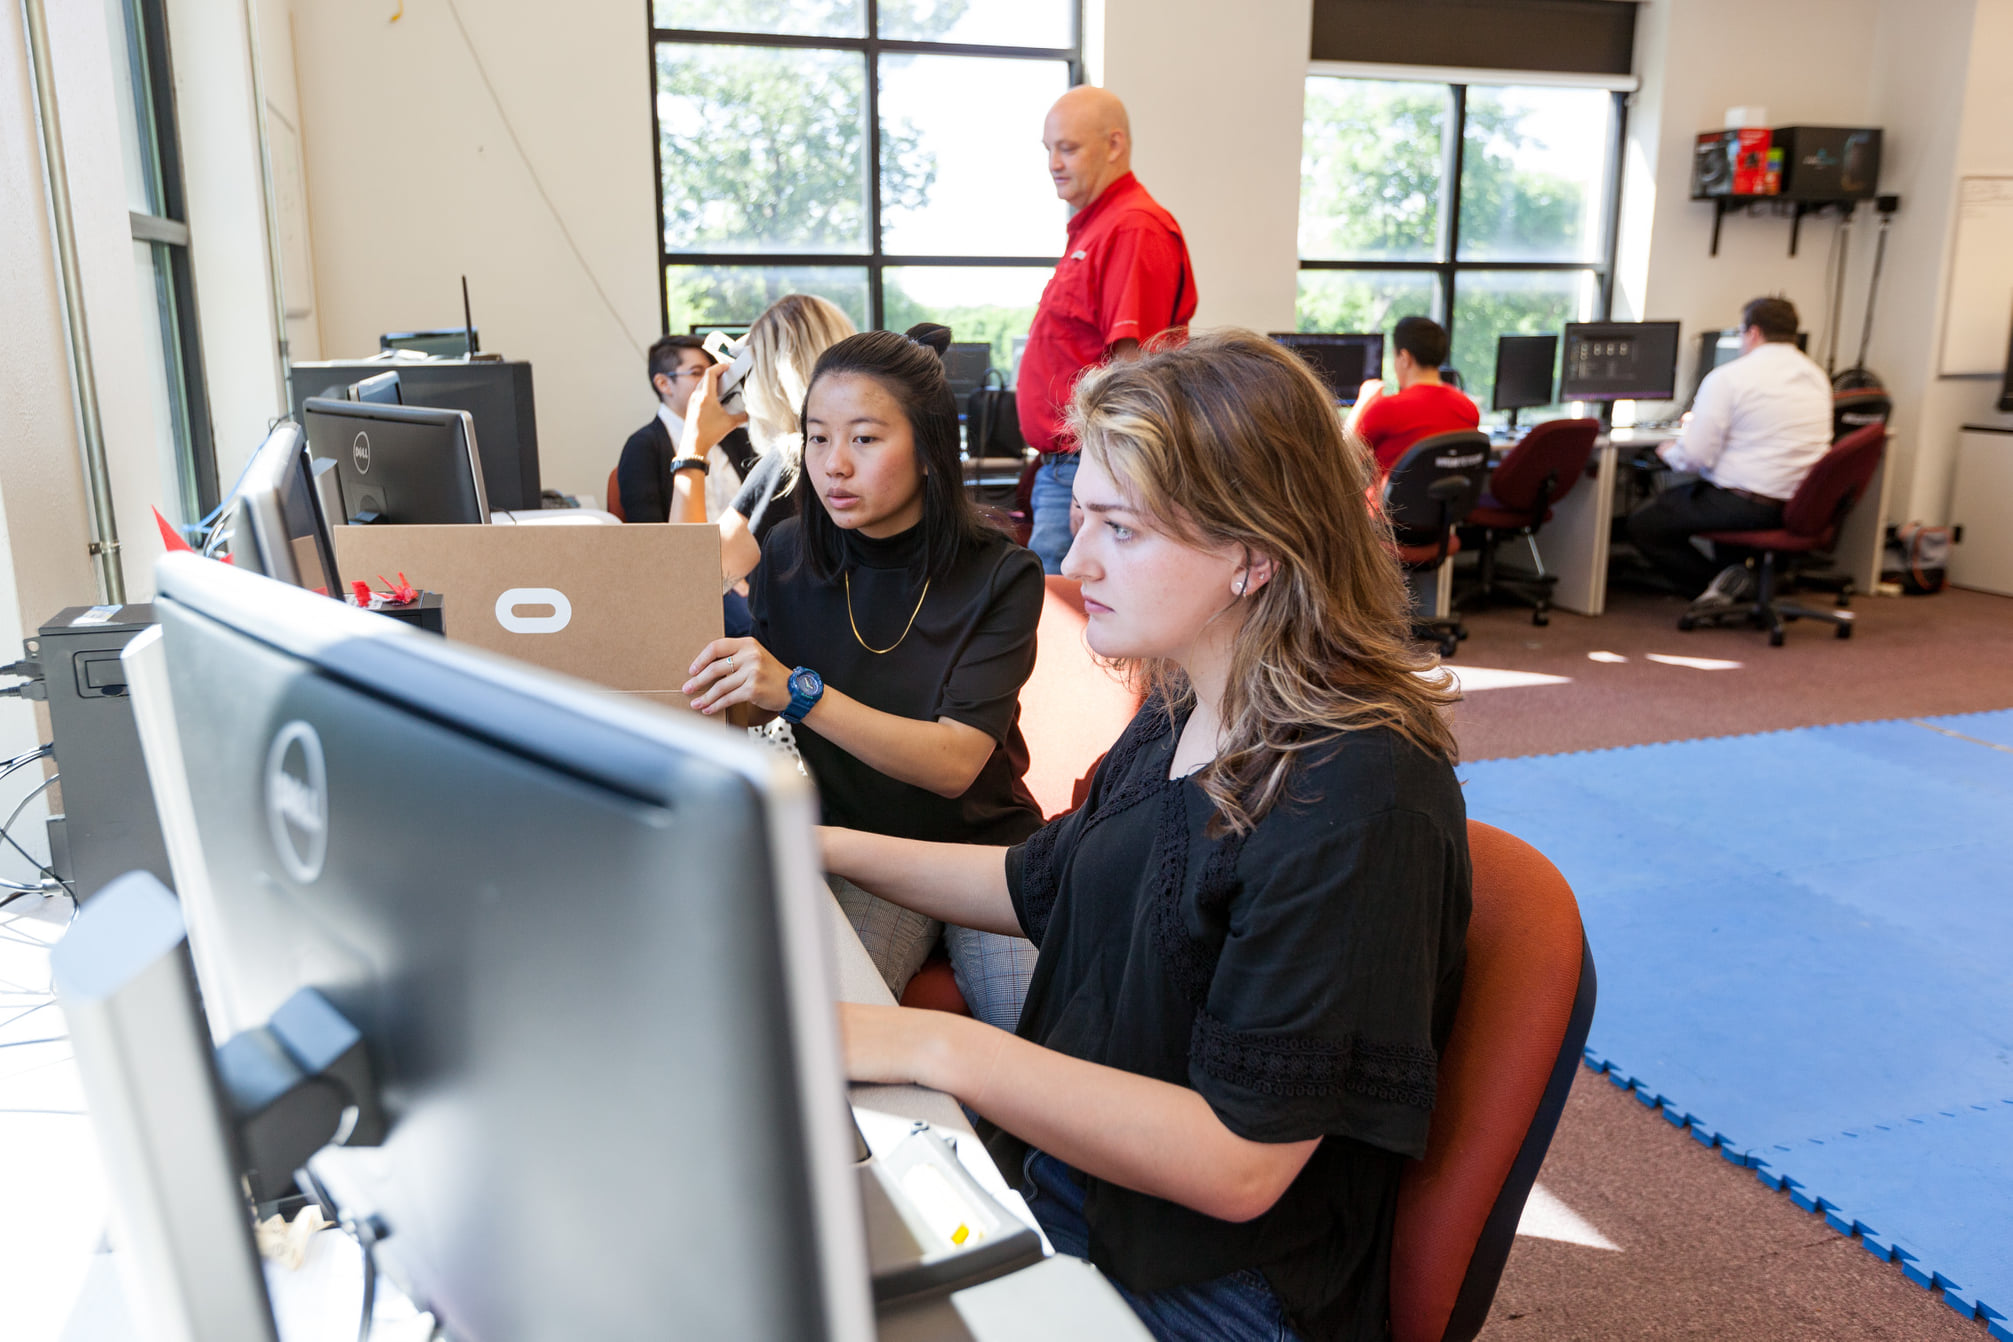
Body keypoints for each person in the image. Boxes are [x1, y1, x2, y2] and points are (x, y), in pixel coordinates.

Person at [824, 331, 1471, 1342]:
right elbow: (1040, 877)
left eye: (1118, 529)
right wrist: (821, 848)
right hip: (1082, 1190)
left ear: (1254, 550)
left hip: (1215, 1285)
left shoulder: (1358, 796)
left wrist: (933, 1042)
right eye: (1082, 520)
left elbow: (1238, 1163)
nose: (1071, 560)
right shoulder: (1183, 704)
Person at [682, 324, 1047, 1031]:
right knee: (817, 1051)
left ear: (929, 450)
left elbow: (953, 764)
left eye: (864, 439)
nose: (833, 466)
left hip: (986, 851)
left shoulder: (1002, 572)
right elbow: (759, 717)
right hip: (859, 852)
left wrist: (797, 692)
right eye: (817, 438)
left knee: (1046, 1054)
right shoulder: (788, 552)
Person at [1019, 85, 1196, 575]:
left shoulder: (1132, 228)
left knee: (1066, 624)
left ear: (1114, 146)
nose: (1054, 162)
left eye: (1068, 148)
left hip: (1087, 465)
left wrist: (1100, 484)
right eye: (1048, 149)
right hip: (1068, 467)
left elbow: (1134, 374)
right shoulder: (1096, 228)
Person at [1625, 295, 1832, 604]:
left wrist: (1667, 450)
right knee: (1710, 495)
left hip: (1747, 506)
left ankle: (1716, 585)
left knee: (1646, 522)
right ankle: (1735, 578)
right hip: (1799, 505)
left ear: (1752, 332)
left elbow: (1693, 458)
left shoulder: (1729, 378)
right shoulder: (1816, 377)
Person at [615, 334, 757, 523]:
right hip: (682, 550)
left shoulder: (736, 435)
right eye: (697, 372)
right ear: (664, 384)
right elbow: (649, 534)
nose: (711, 381)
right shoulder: (642, 446)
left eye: (713, 372)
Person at [1346, 315, 1479, 477]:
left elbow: (1341, 457)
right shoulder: (1467, 407)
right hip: (1446, 502)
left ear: (1405, 358)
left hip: (1386, 503)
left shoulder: (1388, 409)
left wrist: (1362, 403)